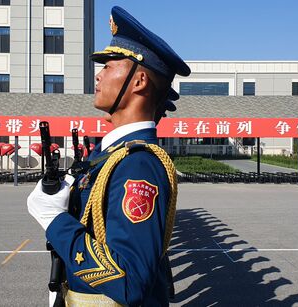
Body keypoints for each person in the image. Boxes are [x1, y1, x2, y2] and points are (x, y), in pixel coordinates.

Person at [27, 6, 190, 306]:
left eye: (110, 65)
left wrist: (55, 220)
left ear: (139, 82)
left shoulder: (138, 164)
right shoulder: (111, 157)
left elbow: (129, 279)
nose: (99, 75)